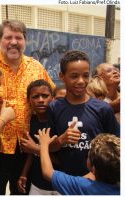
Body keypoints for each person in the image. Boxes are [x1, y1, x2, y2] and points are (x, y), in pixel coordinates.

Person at [0, 19, 55, 195]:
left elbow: (52, 97)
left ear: (25, 40)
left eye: (19, 37)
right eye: (8, 37)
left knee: (21, 191)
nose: (14, 42)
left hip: (27, 148)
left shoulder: (36, 67)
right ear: (0, 39)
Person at [49, 50, 120, 178]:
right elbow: (47, 148)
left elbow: (117, 148)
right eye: (74, 76)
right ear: (62, 76)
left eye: (86, 75)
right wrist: (61, 140)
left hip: (96, 183)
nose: (81, 81)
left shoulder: (103, 109)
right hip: (64, 183)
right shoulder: (53, 108)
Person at [38, 129, 120, 195]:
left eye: (88, 154)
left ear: (93, 169)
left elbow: (48, 173)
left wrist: (44, 145)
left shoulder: (83, 186)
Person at [18, 79, 59, 195]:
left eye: (45, 96)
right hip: (36, 184)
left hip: (57, 186)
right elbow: (31, 153)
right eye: (36, 97)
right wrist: (24, 174)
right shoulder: (31, 122)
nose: (41, 100)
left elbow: (62, 161)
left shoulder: (57, 123)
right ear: (28, 100)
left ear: (52, 98)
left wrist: (36, 148)